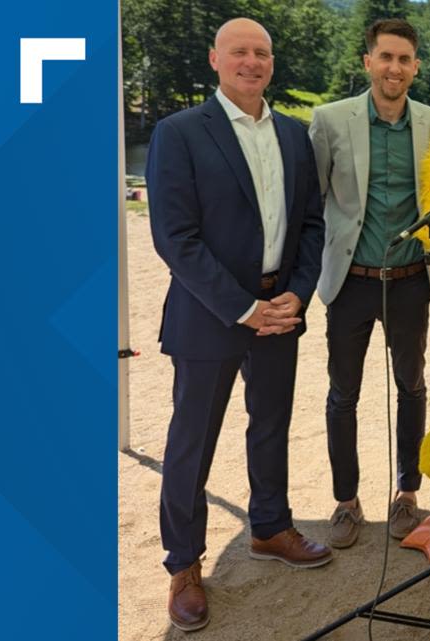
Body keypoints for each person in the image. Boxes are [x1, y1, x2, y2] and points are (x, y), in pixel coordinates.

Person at [147, 17, 329, 632]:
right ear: (215, 60)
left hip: (283, 309)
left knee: (272, 424)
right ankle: (184, 564)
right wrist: (243, 307)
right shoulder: (178, 133)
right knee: (192, 443)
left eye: (262, 53)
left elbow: (311, 224)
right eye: (239, 52)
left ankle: (271, 528)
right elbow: (175, 237)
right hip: (210, 313)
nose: (252, 62)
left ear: (272, 64)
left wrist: (298, 294)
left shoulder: (295, 135)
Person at [308, 18, 430, 548]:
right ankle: (346, 502)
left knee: (412, 388)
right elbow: (313, 204)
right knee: (342, 394)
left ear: (415, 66)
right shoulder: (328, 120)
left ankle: (407, 494)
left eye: (404, 59)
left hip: (411, 281)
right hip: (350, 282)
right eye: (385, 57)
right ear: (368, 62)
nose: (395, 68)